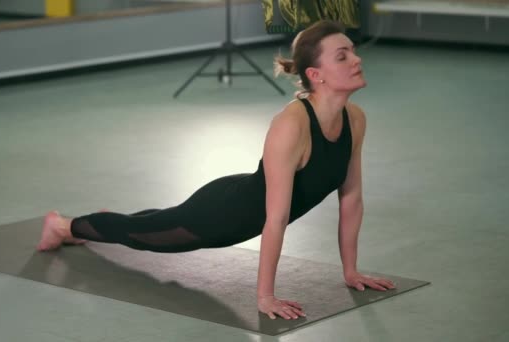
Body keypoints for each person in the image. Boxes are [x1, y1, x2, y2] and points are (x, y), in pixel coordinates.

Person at [37, 19, 396, 320]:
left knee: (155, 220)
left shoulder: (355, 120)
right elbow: (276, 217)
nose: (356, 59)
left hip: (241, 206)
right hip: (218, 215)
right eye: (343, 55)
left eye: (353, 50)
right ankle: (62, 226)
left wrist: (350, 271)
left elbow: (352, 199)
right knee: (142, 236)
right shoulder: (292, 125)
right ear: (316, 74)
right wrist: (265, 297)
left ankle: (108, 221)